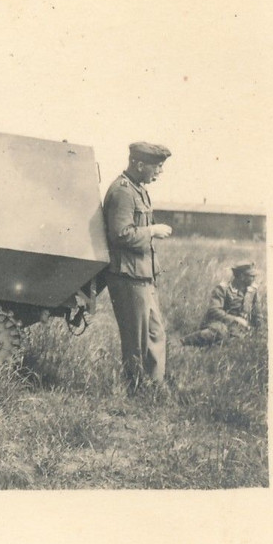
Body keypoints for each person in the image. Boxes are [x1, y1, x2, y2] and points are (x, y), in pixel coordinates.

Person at [102, 141, 174, 393]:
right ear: (139, 164)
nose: (159, 172)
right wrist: (152, 230)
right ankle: (135, 389)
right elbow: (120, 234)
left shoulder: (138, 190)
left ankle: (154, 387)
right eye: (157, 166)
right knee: (137, 339)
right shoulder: (122, 191)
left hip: (141, 275)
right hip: (128, 276)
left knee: (154, 334)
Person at [183, 262, 266, 346]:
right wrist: (236, 319)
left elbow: (258, 314)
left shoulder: (252, 291)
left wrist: (260, 332)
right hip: (218, 322)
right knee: (220, 332)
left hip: (238, 327)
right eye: (251, 276)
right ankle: (185, 342)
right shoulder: (223, 289)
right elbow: (214, 310)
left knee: (240, 341)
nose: (254, 278)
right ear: (242, 277)